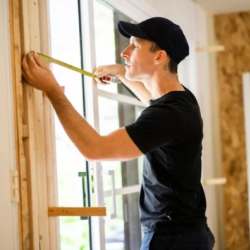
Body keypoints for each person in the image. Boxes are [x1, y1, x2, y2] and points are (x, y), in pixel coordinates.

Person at [22, 17, 215, 250]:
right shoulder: (182, 100)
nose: (124, 52)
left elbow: (96, 149)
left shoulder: (169, 115)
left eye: (134, 45)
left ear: (159, 56)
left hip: (173, 239)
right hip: (185, 231)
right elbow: (152, 101)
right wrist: (122, 73)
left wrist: (54, 91)